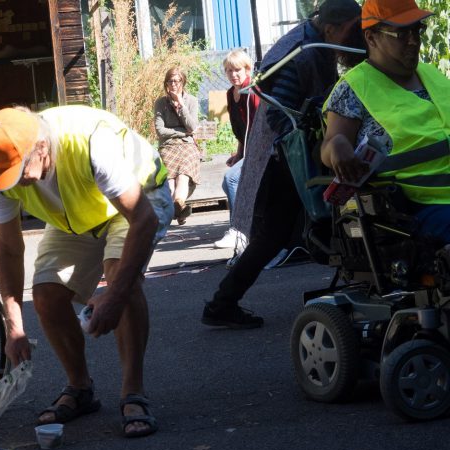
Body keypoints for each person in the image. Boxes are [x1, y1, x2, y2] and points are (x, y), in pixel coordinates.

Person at [0, 105, 172, 438]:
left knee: (119, 276)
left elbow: (143, 220)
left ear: (41, 148)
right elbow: (9, 248)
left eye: (17, 170)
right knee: (46, 294)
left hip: (137, 202)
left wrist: (115, 296)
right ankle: (80, 387)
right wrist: (14, 326)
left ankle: (133, 392)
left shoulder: (91, 143)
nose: (13, 181)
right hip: (76, 215)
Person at [201, 0, 364, 329]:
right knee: (278, 233)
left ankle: (223, 302)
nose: (357, 37)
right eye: (353, 30)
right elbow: (280, 114)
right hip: (283, 160)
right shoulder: (303, 55)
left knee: (289, 231)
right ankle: (222, 303)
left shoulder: (318, 43)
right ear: (332, 28)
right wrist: (321, 123)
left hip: (288, 156)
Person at [321, 0, 450, 244]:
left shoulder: (432, 74)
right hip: (415, 209)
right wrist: (338, 148)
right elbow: (331, 143)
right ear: (371, 38)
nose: (413, 40)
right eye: (401, 33)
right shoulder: (353, 87)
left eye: (416, 30)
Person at [214, 49, 259, 253]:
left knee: (232, 179)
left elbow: (259, 128)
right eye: (229, 70)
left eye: (237, 70)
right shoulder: (231, 94)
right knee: (228, 181)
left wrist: (250, 156)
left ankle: (239, 230)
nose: (233, 74)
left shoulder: (253, 91)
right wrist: (239, 154)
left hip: (261, 152)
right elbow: (242, 129)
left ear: (247, 69)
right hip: (247, 150)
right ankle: (246, 225)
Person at [154, 67, 200, 225]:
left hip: (187, 145)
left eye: (177, 81)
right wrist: (182, 133)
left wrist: (181, 105)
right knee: (170, 182)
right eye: (170, 81)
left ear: (183, 82)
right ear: (166, 83)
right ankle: (180, 210)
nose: (173, 84)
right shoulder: (161, 103)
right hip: (168, 146)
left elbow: (193, 127)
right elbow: (160, 131)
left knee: (183, 176)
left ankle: (178, 205)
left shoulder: (191, 101)